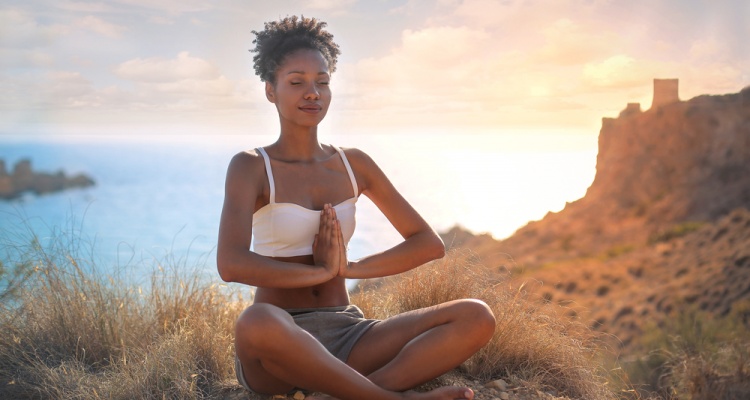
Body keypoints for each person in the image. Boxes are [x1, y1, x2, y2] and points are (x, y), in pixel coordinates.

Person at [217, 16, 496, 400]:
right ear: (270, 90)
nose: (312, 92)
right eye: (297, 82)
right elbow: (231, 264)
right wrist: (320, 273)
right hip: (280, 343)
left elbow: (427, 244)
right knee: (255, 320)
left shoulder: (354, 164)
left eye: (323, 81)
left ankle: (346, 394)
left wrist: (350, 269)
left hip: (350, 336)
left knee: (476, 315)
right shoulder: (250, 166)